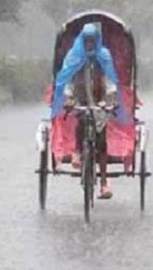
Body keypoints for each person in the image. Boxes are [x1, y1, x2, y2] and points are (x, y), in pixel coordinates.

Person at [51, 23, 120, 199]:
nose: (89, 44)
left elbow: (110, 79)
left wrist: (111, 98)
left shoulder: (103, 56)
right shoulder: (74, 55)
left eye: (92, 41)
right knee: (80, 122)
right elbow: (68, 79)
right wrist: (68, 98)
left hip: (100, 100)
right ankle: (76, 151)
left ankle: (104, 183)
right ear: (83, 40)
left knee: (102, 141)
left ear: (96, 41)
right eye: (87, 40)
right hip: (80, 99)